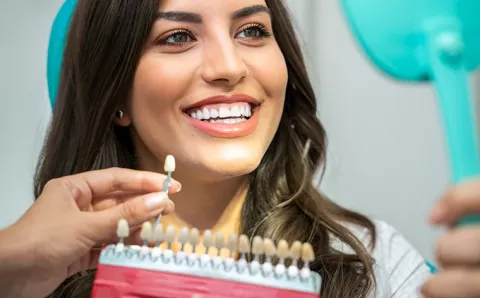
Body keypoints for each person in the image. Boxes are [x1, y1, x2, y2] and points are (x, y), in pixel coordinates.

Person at [0, 0, 479, 297]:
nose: (228, 66)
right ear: (115, 96)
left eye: (251, 30)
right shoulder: (32, 277)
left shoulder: (375, 266)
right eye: (178, 36)